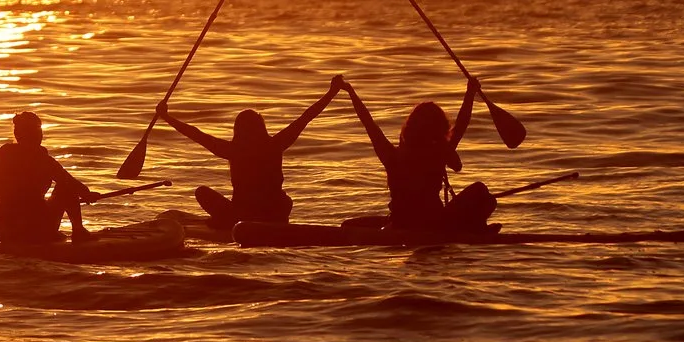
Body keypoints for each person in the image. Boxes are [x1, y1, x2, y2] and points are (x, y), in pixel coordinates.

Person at [155, 75, 344, 227]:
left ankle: (225, 222)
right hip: (274, 214)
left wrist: (167, 117)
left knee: (201, 192)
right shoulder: (275, 144)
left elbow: (196, 134)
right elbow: (306, 117)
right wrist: (331, 93)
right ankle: (254, 220)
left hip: (243, 215)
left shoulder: (233, 150)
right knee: (284, 200)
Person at [340, 73, 496, 235]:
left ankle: (471, 229)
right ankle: (473, 229)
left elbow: (368, 123)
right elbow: (461, 125)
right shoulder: (440, 152)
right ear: (439, 129)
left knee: (347, 226)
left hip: (402, 222)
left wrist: (351, 92)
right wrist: (470, 93)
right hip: (433, 223)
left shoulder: (392, 155)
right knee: (481, 191)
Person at [0, 110, 97, 245]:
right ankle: (78, 231)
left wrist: (84, 192)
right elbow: (67, 180)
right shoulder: (40, 157)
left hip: (4, 232)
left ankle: (48, 233)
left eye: (39, 130)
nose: (40, 135)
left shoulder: (2, 154)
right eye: (36, 131)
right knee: (66, 188)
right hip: (31, 230)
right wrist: (86, 193)